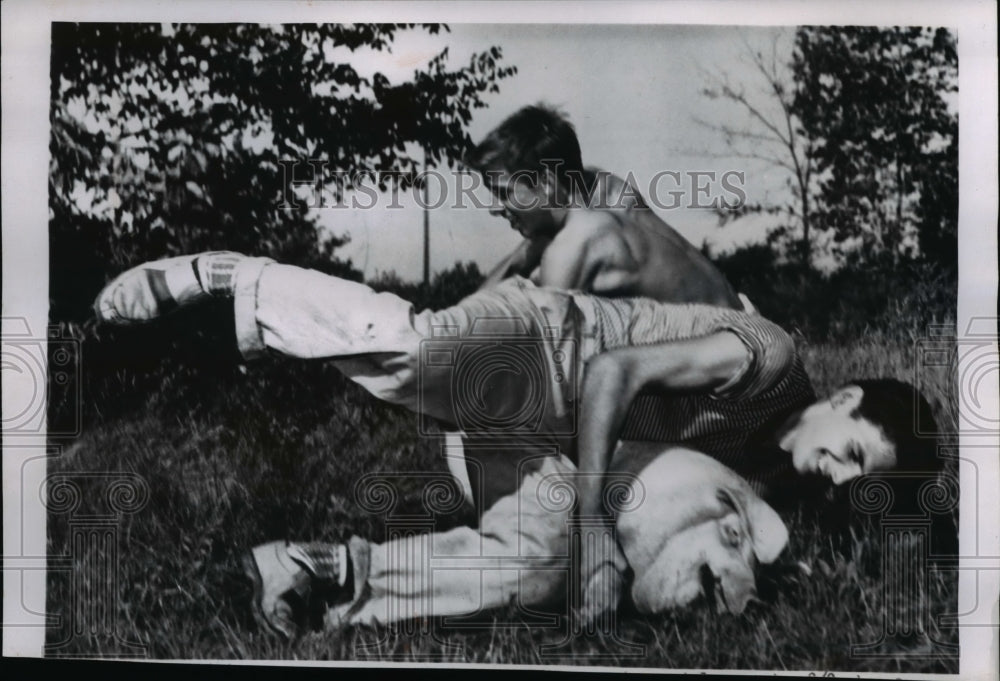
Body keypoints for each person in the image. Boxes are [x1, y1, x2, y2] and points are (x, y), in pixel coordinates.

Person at [92, 251, 941, 637]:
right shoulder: (773, 357)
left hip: (541, 447)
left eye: (851, 481)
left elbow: (653, 511)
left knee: (534, 566)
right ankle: (235, 276)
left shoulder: (763, 475)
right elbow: (611, 370)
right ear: (845, 398)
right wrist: (598, 528)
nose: (835, 478)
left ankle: (319, 573)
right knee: (409, 352)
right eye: (853, 453)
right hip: (548, 346)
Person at [465, 104, 746, 309]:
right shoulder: (579, 196)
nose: (495, 208)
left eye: (503, 193)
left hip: (731, 342)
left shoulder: (609, 213)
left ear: (547, 184)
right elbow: (514, 268)